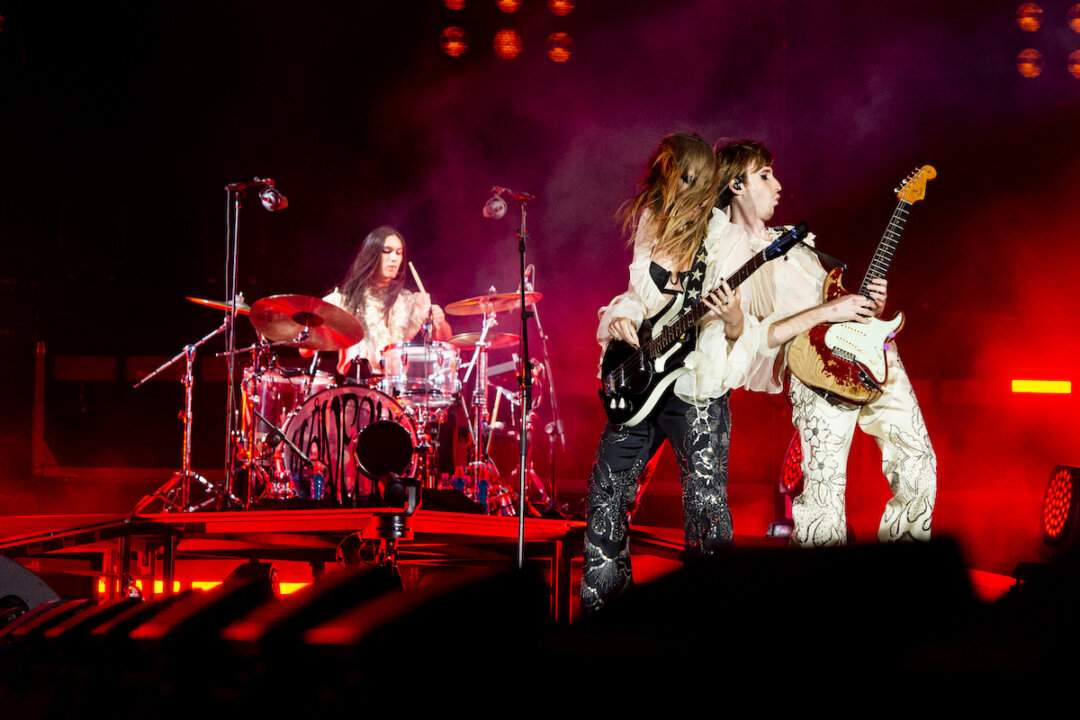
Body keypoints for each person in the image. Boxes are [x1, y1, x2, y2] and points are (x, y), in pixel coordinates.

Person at [712, 138, 937, 547]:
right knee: (824, 497)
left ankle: (905, 581)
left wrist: (865, 304)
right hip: (815, 367)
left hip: (871, 353)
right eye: (765, 175)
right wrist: (827, 313)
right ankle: (824, 600)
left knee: (918, 463)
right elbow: (755, 338)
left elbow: (830, 297)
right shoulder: (729, 257)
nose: (778, 185)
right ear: (736, 185)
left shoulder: (794, 239)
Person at [582, 132, 765, 613]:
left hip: (695, 385)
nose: (667, 183)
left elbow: (742, 325)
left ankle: (705, 622)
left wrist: (730, 318)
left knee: (705, 506)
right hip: (642, 380)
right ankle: (605, 614)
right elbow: (639, 294)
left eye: (676, 173)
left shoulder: (728, 239)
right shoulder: (650, 223)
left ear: (697, 178)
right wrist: (621, 312)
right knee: (607, 494)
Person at [320, 225, 452, 375]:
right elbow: (305, 350)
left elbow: (445, 341)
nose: (394, 258)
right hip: (354, 389)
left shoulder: (408, 301)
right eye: (387, 251)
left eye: (399, 253)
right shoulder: (344, 300)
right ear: (372, 255)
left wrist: (439, 323)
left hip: (394, 388)